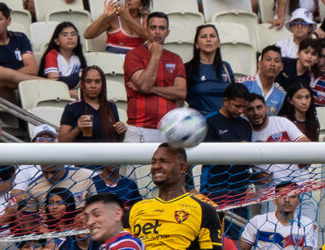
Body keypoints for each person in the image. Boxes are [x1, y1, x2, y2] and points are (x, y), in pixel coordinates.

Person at [124, 12, 186, 143]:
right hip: (140, 129)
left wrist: (152, 89)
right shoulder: (133, 55)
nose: (157, 32)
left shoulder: (175, 58)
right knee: (138, 164)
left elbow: (181, 92)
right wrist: (156, 55)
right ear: (146, 30)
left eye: (162, 28)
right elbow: (144, 85)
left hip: (168, 130)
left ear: (167, 32)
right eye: (153, 28)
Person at [239, 182, 319, 250]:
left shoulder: (306, 223)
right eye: (283, 196)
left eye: (293, 196)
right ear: (274, 200)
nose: (287, 200)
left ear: (299, 201)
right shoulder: (258, 221)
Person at [200, 83, 253, 207]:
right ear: (226, 101)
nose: (240, 111)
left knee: (239, 225)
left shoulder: (245, 124)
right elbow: (204, 155)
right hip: (214, 187)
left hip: (240, 189)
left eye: (243, 107)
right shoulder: (209, 121)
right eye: (237, 106)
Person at [247, 93, 309, 194]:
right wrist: (254, 176)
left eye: (259, 107)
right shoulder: (245, 133)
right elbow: (239, 171)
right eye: (250, 109)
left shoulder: (282, 123)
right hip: (269, 194)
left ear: (266, 108)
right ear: (245, 112)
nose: (256, 112)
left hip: (297, 187)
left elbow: (305, 143)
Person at [59, 66, 126, 143]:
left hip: (106, 153)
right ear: (82, 85)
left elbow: (118, 140)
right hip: (81, 153)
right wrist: (77, 129)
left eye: (97, 81)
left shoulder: (111, 106)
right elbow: (61, 141)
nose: (93, 86)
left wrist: (121, 131)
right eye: (88, 81)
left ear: (102, 84)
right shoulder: (72, 107)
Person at [184, 24, 234, 117]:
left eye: (212, 36)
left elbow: (233, 95)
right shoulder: (187, 68)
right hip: (199, 122)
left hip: (224, 121)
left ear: (219, 43)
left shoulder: (226, 67)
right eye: (203, 37)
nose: (208, 39)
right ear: (197, 44)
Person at [84, 0, 149, 54]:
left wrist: (127, 18)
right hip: (112, 63)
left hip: (136, 64)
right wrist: (104, 15)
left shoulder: (146, 19)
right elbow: (87, 35)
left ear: (143, 2)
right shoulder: (114, 18)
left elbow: (149, 38)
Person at [39, 21, 86, 95]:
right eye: (65, 35)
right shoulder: (52, 55)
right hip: (56, 94)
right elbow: (55, 82)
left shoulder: (78, 57)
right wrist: (79, 76)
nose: (70, 37)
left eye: (73, 34)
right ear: (57, 41)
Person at [246, 46, 290, 115]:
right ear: (259, 64)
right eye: (268, 60)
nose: (272, 64)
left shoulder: (282, 95)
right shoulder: (244, 84)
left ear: (281, 67)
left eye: (277, 61)